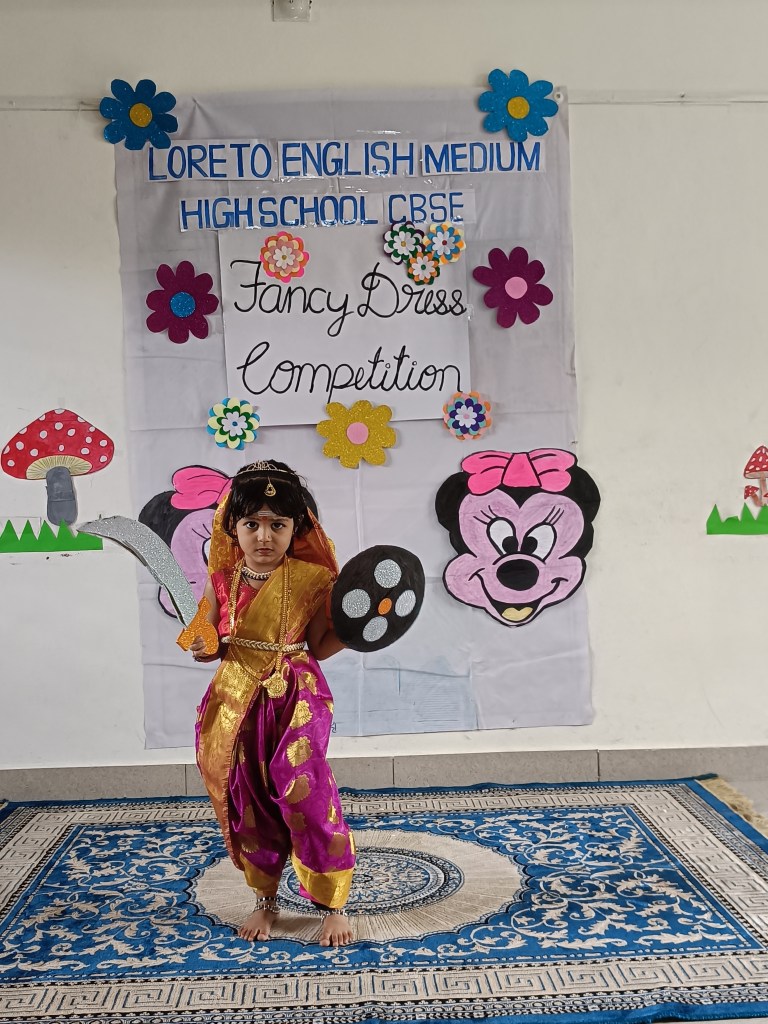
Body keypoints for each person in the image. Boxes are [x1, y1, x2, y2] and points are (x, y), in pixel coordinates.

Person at [189, 460, 355, 947]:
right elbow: (208, 639)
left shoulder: (312, 578)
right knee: (250, 798)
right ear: (232, 528)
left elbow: (320, 644)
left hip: (297, 697)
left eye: (277, 525)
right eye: (252, 524)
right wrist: (203, 644)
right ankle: (265, 900)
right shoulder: (222, 579)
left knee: (304, 790)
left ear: (296, 528)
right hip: (237, 700)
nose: (264, 536)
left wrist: (358, 629)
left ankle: (332, 903)